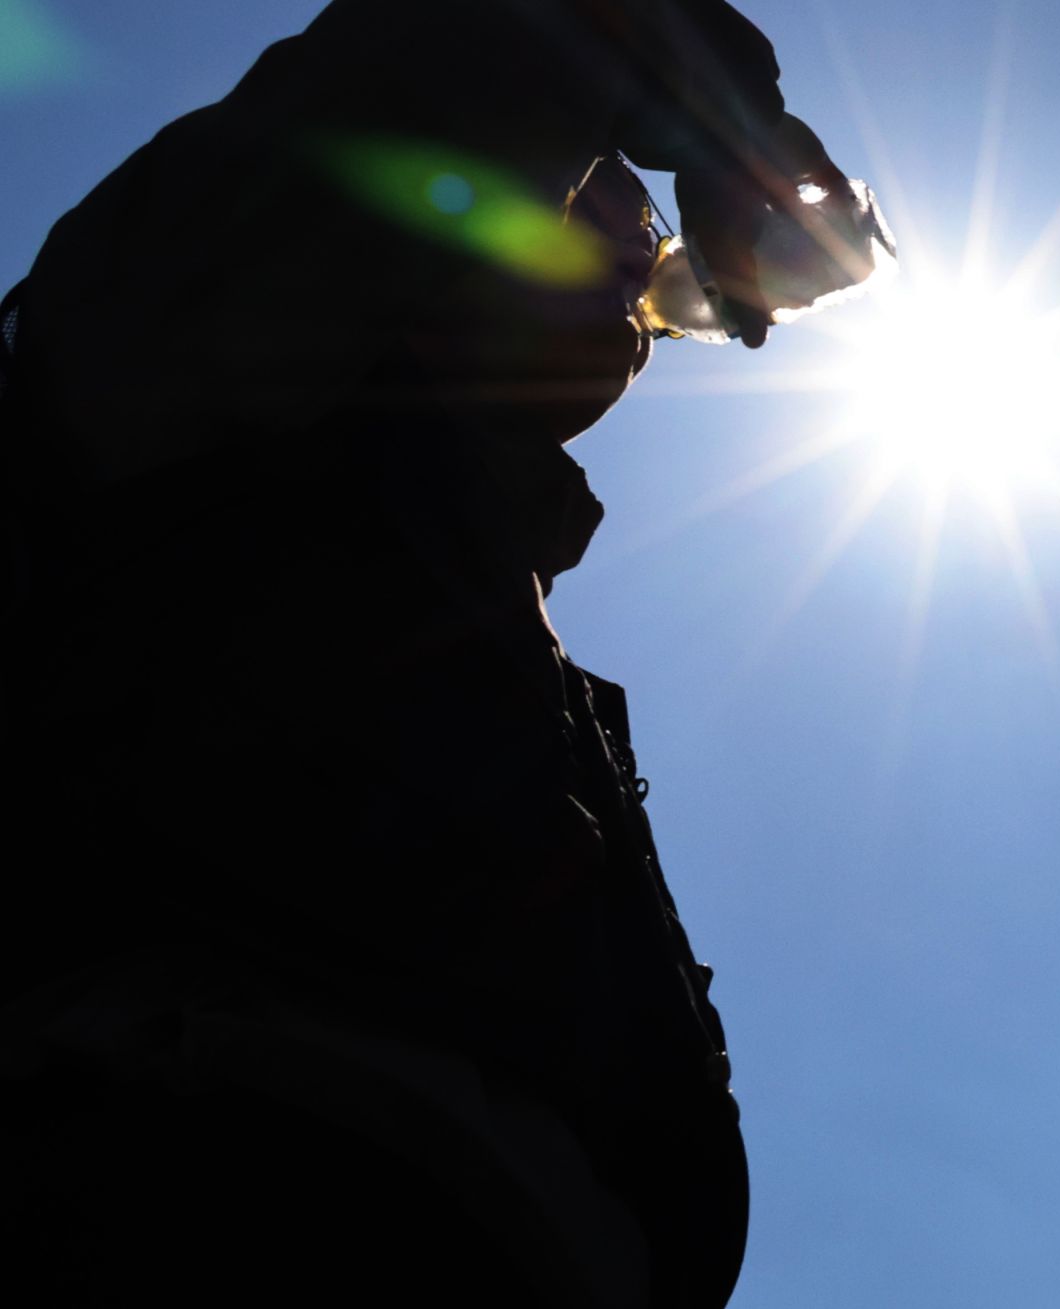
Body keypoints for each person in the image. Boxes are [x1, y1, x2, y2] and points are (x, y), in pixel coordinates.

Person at [0, 1, 869, 1303]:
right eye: (609, 212)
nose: (646, 274)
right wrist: (717, 116)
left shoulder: (478, 595)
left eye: (654, 261)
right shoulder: (189, 345)